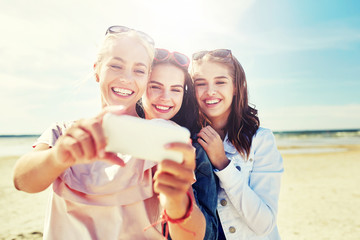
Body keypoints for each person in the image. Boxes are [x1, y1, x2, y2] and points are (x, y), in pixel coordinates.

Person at [12, 25, 206, 240]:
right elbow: (22, 181)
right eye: (116, 66)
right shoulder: (65, 132)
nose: (126, 78)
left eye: (139, 70)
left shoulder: (161, 137)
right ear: (97, 70)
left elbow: (192, 237)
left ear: (146, 78)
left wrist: (178, 201)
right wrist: (58, 156)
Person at [190, 49, 284, 240]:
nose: (210, 91)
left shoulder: (260, 140)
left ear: (235, 87)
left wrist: (223, 163)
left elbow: (264, 224)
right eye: (201, 83)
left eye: (220, 82)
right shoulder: (187, 139)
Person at [138, 48, 218, 239]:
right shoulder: (120, 140)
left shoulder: (193, 151)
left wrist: (179, 200)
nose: (166, 97)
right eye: (155, 86)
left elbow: (210, 234)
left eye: (175, 89)